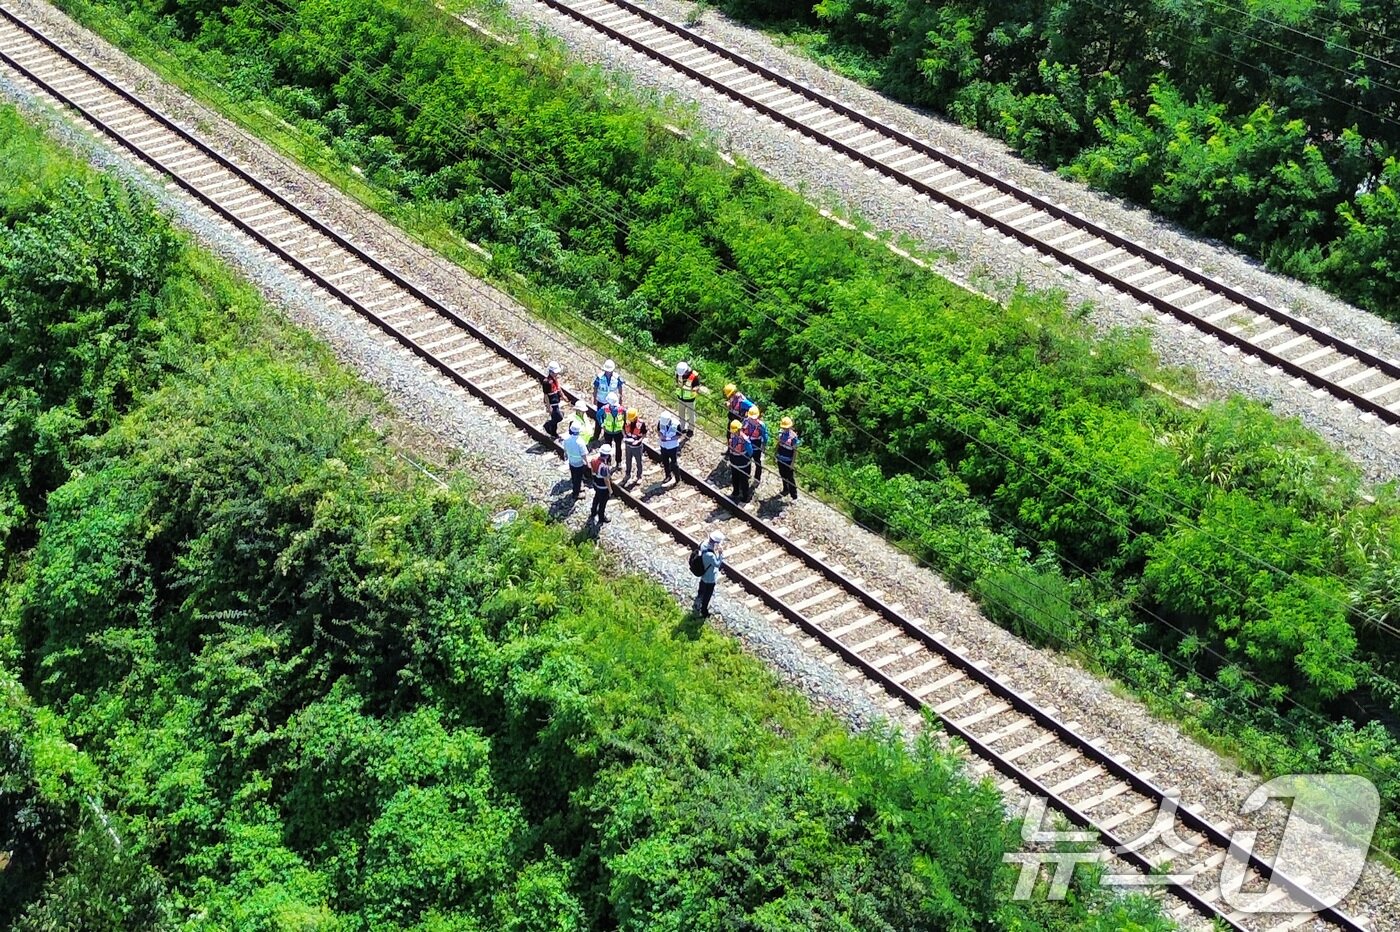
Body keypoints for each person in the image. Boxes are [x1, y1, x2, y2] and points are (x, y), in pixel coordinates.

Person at [591, 359, 623, 442]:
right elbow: (595, 388)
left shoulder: (617, 378)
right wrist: (594, 399)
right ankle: (596, 436)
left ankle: (608, 436)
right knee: (599, 419)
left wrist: (620, 400)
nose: (608, 372)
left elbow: (620, 390)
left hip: (612, 403)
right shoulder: (599, 377)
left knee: (611, 419)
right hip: (601, 401)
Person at [694, 530, 724, 618]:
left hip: (703, 571)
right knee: (708, 593)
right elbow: (717, 564)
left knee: (702, 585)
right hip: (710, 576)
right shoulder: (710, 555)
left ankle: (699, 595)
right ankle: (704, 610)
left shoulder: (703, 544)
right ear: (716, 543)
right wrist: (720, 554)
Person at [740, 404, 768, 487]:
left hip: (756, 444)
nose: (752, 419)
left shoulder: (761, 425)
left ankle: (757, 478)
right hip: (747, 445)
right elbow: (741, 430)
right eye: (751, 417)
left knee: (757, 462)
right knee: (746, 461)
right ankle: (746, 475)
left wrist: (763, 446)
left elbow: (765, 436)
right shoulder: (745, 421)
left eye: (754, 418)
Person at [727, 419, 754, 504]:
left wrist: (746, 458)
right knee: (734, 478)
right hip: (734, 462)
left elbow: (750, 451)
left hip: (743, 463)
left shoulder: (745, 439)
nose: (734, 433)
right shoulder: (732, 436)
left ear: (739, 430)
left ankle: (745, 496)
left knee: (744, 480)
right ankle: (735, 492)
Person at [775, 416, 800, 500]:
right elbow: (778, 444)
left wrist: (792, 463)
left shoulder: (793, 437)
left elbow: (795, 451)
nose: (784, 429)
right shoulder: (781, 434)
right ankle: (785, 489)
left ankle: (794, 495)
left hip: (788, 460)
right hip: (780, 458)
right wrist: (775, 454)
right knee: (782, 475)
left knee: (790, 477)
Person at [598, 392, 625, 464]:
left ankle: (609, 461)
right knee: (617, 447)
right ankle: (617, 462)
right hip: (615, 432)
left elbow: (598, 415)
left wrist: (602, 424)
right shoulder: (622, 410)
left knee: (609, 447)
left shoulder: (604, 409)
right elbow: (625, 419)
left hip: (611, 431)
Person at [563, 422, 589, 498]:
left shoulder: (567, 439)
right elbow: (584, 454)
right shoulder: (580, 442)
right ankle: (576, 493)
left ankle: (576, 488)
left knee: (574, 476)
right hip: (579, 463)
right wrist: (587, 463)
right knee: (578, 478)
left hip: (571, 461)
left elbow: (565, 450)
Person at [622, 408, 647, 486]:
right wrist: (624, 436)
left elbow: (644, 434)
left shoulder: (641, 424)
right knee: (628, 461)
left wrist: (638, 441)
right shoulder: (626, 421)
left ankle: (639, 476)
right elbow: (623, 429)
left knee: (639, 462)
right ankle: (627, 474)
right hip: (628, 446)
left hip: (637, 447)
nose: (630, 420)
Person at [675, 362, 700, 436]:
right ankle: (682, 428)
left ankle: (690, 430)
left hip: (690, 400)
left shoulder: (694, 376)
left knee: (691, 416)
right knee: (681, 414)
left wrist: (695, 389)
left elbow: (697, 386)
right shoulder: (678, 373)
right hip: (680, 398)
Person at [589, 447, 614, 524]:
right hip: (603, 487)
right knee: (602, 503)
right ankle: (601, 517)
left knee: (596, 498)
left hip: (596, 484)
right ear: (607, 455)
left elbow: (592, 472)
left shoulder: (594, 460)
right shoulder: (604, 467)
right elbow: (606, 480)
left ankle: (593, 511)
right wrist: (610, 490)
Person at [541, 360, 564, 439]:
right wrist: (548, 407)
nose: (556, 374)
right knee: (559, 417)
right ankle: (547, 425)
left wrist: (563, 396)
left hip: (556, 402)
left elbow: (558, 388)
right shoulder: (547, 382)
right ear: (550, 372)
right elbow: (546, 396)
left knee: (555, 419)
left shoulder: (554, 379)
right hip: (552, 403)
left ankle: (554, 433)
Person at [657, 412, 681, 483]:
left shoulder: (676, 424)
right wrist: (661, 436)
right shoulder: (661, 422)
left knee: (674, 463)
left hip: (672, 447)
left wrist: (668, 439)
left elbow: (679, 435)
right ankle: (668, 476)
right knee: (665, 462)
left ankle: (677, 478)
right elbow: (658, 431)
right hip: (663, 446)